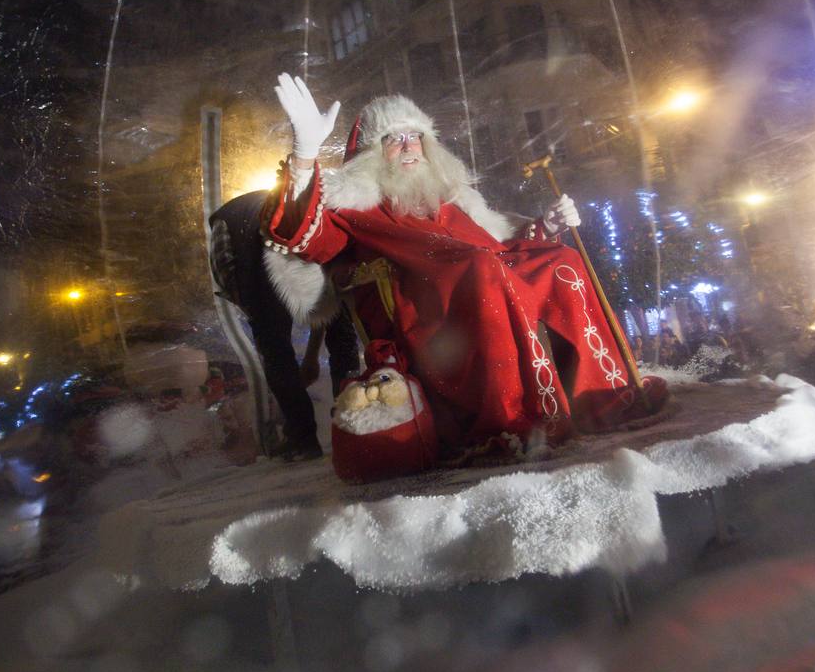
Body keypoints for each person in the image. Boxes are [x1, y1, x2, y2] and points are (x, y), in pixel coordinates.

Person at [261, 74, 665, 459]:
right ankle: (509, 420)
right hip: (426, 310)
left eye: (415, 137)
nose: (408, 147)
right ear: (372, 152)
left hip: (486, 279)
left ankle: (603, 398)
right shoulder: (355, 205)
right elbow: (302, 235)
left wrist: (546, 228)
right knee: (482, 269)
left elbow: (499, 245)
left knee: (561, 261)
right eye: (394, 139)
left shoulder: (451, 199)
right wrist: (305, 155)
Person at [208, 188, 360, 461]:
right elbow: (326, 305)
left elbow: (225, 270)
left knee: (277, 356)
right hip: (299, 261)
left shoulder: (225, 218)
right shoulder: (301, 210)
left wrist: (255, 311)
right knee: (342, 341)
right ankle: (352, 427)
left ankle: (303, 440)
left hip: (266, 277)